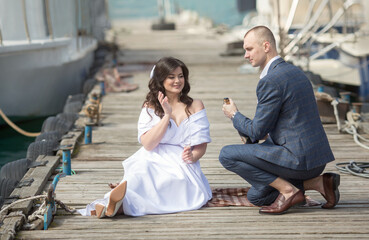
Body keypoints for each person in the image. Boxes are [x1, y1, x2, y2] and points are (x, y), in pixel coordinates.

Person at [219, 25, 340, 214]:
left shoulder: (270, 81)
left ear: (266, 46)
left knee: (227, 154)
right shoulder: (297, 72)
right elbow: (268, 127)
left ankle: (288, 190)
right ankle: (319, 182)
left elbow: (258, 132)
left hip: (298, 160)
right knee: (257, 197)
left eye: (249, 49)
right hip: (317, 160)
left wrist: (234, 115)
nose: (245, 55)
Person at [78, 57, 212, 217]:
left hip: (181, 162)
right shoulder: (150, 107)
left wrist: (192, 156)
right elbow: (148, 144)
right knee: (139, 177)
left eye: (180, 76)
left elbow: (201, 145)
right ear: (161, 80)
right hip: (152, 156)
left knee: (167, 184)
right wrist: (166, 115)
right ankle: (110, 204)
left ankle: (115, 207)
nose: (177, 81)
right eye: (171, 77)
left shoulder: (195, 105)